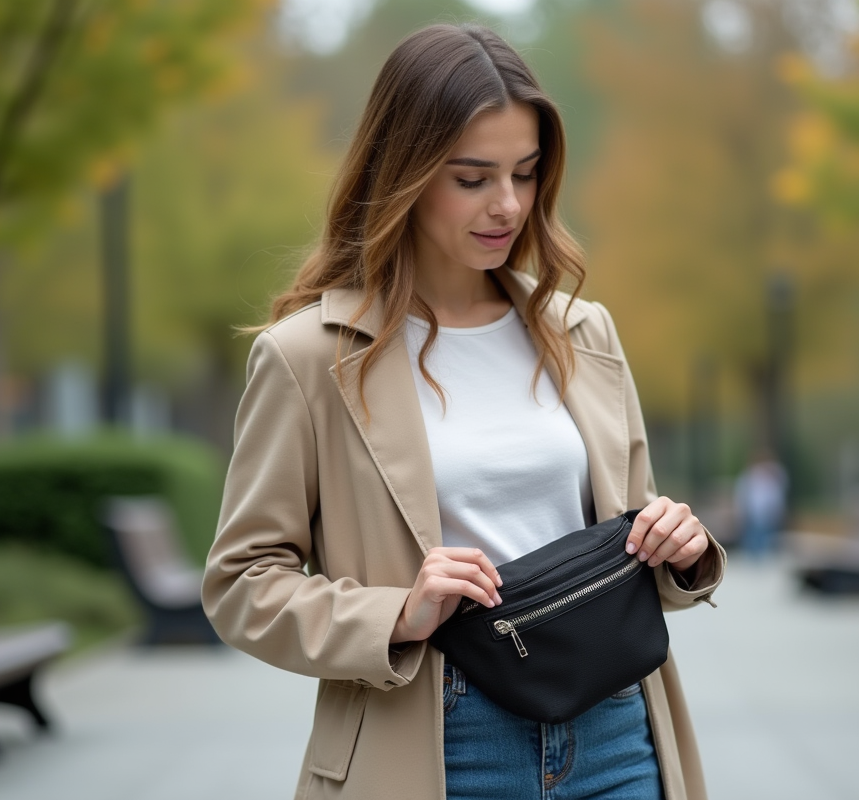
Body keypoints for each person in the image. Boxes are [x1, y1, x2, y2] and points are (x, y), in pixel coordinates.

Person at [202, 23, 726, 800]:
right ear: (405, 173)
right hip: (440, 741)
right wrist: (395, 614)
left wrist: (680, 547)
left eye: (525, 172)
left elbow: (629, 528)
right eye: (473, 178)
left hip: (617, 734)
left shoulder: (583, 332)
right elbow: (242, 583)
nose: (507, 204)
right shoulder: (309, 357)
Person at [733, 449, 789, 558]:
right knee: (753, 542)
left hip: (767, 516)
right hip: (752, 516)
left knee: (766, 543)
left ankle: (762, 559)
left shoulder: (772, 477)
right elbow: (742, 496)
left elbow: (775, 497)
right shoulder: (748, 477)